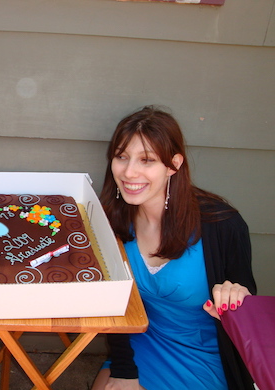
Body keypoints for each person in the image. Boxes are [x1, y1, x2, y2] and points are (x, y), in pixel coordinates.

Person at [92, 106, 256, 390]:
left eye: (147, 160)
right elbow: (115, 308)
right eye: (122, 156)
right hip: (139, 344)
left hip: (208, 355)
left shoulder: (223, 225)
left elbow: (245, 298)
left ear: (173, 165)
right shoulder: (109, 220)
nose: (129, 172)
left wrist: (237, 297)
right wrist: (124, 371)